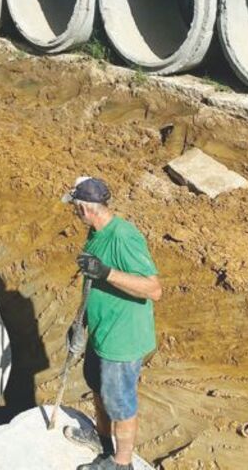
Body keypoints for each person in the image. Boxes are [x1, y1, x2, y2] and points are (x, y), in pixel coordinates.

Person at [61, 177, 162, 470]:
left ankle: (122, 463)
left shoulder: (124, 237)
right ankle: (102, 442)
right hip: (100, 333)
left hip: (122, 340)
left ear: (84, 207)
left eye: (75, 208)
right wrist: (81, 320)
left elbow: (153, 289)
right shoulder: (96, 231)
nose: (74, 213)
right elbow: (92, 284)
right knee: (97, 387)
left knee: (121, 405)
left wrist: (107, 273)